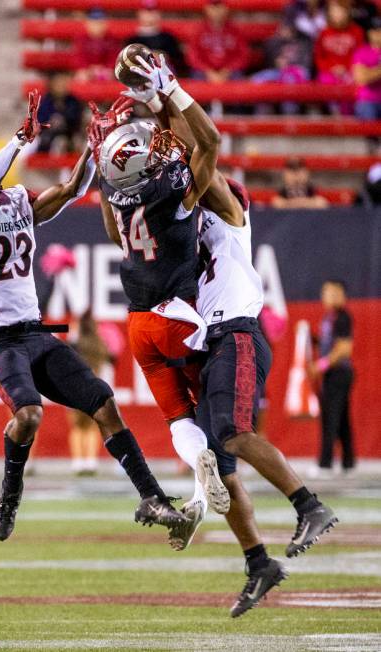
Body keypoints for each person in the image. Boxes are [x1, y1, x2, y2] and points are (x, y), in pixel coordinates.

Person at [120, 56, 338, 617]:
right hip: (212, 340)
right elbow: (173, 164)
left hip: (236, 332)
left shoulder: (230, 215)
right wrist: (148, 114)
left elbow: (204, 150)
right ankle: (258, 562)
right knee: (220, 464)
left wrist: (169, 91)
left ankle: (309, 504)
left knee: (234, 433)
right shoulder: (180, 218)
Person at [0, 90, 185, 541]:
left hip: (34, 333)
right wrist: (15, 143)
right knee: (28, 416)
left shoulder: (15, 201)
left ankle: (153, 498)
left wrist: (95, 148)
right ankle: (9, 493)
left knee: (103, 402)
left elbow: (72, 190)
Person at [91, 80, 231, 553]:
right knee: (216, 401)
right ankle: (216, 465)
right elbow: (208, 146)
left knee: (177, 420)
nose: (159, 148)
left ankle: (198, 485)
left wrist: (102, 168)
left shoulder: (117, 190)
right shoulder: (170, 191)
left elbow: (114, 229)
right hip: (178, 317)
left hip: (139, 326)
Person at [308, 280, 355, 474]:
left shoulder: (343, 317)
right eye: (325, 292)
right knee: (342, 418)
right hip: (332, 374)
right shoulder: (329, 317)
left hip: (339, 373)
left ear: (340, 294)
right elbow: (328, 343)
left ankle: (325, 463)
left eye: (330, 292)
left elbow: (344, 349)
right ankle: (348, 462)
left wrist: (321, 365)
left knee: (330, 417)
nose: (326, 296)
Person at [67, 310, 111, 476]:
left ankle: (78, 461)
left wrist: (73, 331)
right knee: (92, 426)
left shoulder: (75, 345)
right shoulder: (99, 344)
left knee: (77, 427)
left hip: (75, 389)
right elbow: (109, 361)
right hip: (95, 388)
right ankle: (91, 461)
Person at [314, 0, 364, 114]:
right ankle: (333, 115)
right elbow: (319, 57)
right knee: (326, 82)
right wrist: (332, 68)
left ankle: (347, 116)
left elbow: (359, 55)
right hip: (328, 71)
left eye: (340, 11)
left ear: (347, 12)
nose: (337, 14)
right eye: (334, 11)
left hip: (350, 70)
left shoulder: (357, 31)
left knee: (349, 83)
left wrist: (347, 68)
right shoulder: (324, 32)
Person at [186, 0, 252, 82]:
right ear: (206, 9)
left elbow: (243, 55)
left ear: (226, 9)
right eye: (213, 7)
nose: (217, 11)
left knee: (239, 80)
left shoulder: (236, 31)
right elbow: (193, 56)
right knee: (196, 81)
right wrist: (208, 71)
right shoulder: (198, 31)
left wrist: (228, 70)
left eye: (220, 7)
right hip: (203, 72)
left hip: (231, 72)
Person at [125, 0, 188, 76]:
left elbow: (181, 65)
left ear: (159, 14)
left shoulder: (169, 38)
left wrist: (164, 57)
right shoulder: (131, 40)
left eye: (153, 11)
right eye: (147, 11)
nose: (150, 15)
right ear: (139, 13)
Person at [37, 73, 83, 153]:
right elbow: (40, 122)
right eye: (58, 83)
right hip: (48, 137)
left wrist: (63, 120)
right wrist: (51, 123)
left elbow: (76, 121)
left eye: (63, 83)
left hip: (69, 135)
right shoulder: (45, 101)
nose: (61, 86)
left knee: (64, 141)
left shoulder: (73, 101)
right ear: (51, 84)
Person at [74, 9, 120, 82]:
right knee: (82, 76)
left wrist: (105, 68)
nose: (97, 27)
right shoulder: (81, 38)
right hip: (87, 70)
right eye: (94, 23)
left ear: (105, 24)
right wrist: (88, 69)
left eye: (100, 23)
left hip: (106, 70)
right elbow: (79, 57)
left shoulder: (112, 39)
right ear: (87, 24)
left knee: (110, 75)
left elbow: (113, 57)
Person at [352, 15, 381, 120]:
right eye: (375, 30)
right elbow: (362, 78)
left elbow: (366, 75)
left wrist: (372, 72)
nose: (378, 34)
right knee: (367, 110)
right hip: (369, 100)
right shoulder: (362, 52)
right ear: (369, 33)